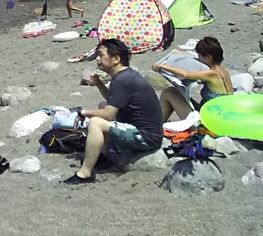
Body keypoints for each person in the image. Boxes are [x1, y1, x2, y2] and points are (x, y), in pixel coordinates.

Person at [63, 38, 163, 184]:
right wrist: (98, 83)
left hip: (146, 137)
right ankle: (103, 156)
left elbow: (108, 115)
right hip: (146, 131)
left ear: (116, 59)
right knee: (103, 104)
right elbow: (114, 101)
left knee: (96, 122)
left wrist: (83, 112)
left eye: (101, 55)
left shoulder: (122, 80)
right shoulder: (126, 75)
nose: (97, 59)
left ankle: (85, 174)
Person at [152, 36, 233, 122]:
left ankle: (156, 125)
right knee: (179, 95)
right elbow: (196, 60)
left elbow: (185, 74)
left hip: (208, 120)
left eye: (200, 55)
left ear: (209, 57)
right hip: (217, 115)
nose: (199, 58)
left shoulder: (212, 74)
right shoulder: (223, 71)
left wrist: (162, 66)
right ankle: (159, 123)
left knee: (169, 93)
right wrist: (182, 54)